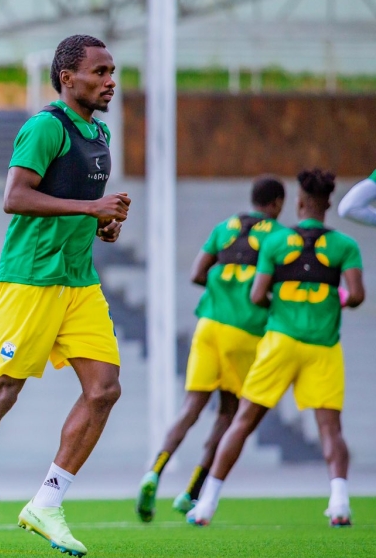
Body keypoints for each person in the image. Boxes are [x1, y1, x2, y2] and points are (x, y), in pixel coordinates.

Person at [0, 34, 130, 558]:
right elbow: (15, 197)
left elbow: (81, 206)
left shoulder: (98, 132)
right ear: (68, 77)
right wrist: (91, 210)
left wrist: (102, 224)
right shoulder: (45, 126)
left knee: (105, 389)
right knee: (1, 394)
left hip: (78, 280)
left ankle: (48, 502)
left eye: (113, 72)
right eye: (100, 72)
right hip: (31, 279)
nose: (111, 81)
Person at [188, 169, 364, 528]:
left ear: (298, 202)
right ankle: (340, 502)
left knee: (243, 421)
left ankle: (206, 504)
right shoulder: (345, 246)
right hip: (323, 346)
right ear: (329, 202)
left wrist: (280, 303)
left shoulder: (276, 243)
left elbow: (256, 295)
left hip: (280, 342)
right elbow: (357, 295)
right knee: (330, 429)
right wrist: (337, 300)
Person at [136, 176, 285, 521]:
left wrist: (221, 292)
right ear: (277, 203)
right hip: (245, 329)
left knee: (190, 408)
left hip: (208, 325)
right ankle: (192, 491)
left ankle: (154, 472)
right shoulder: (279, 236)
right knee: (229, 414)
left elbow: (197, 273)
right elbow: (267, 290)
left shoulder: (225, 227)